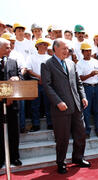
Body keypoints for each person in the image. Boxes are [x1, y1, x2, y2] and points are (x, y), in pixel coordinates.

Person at [41, 38, 90, 174]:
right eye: (63, 48)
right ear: (55, 48)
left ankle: (78, 158)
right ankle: (61, 162)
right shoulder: (47, 64)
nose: (66, 51)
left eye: (67, 49)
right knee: (62, 137)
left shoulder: (71, 63)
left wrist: (83, 97)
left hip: (76, 105)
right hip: (60, 108)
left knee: (81, 133)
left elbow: (79, 83)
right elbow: (47, 85)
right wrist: (58, 102)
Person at [0, 38, 23, 168]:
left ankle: (15, 157)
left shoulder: (13, 62)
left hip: (12, 104)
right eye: (7, 47)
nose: (10, 49)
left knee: (14, 131)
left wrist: (17, 78)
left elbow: (22, 77)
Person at [76, 42, 98, 139]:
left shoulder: (96, 62)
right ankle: (86, 131)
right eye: (86, 51)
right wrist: (90, 75)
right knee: (86, 111)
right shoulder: (79, 63)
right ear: (82, 52)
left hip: (96, 87)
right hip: (86, 88)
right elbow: (79, 78)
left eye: (89, 51)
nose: (88, 53)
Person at [26, 38, 52, 131]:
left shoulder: (50, 58)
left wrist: (44, 78)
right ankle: (36, 124)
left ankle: (50, 124)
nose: (45, 46)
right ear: (38, 46)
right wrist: (39, 77)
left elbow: (52, 71)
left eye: (46, 45)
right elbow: (29, 70)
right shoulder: (31, 57)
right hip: (35, 83)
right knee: (35, 105)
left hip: (47, 83)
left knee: (48, 104)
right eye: (43, 44)